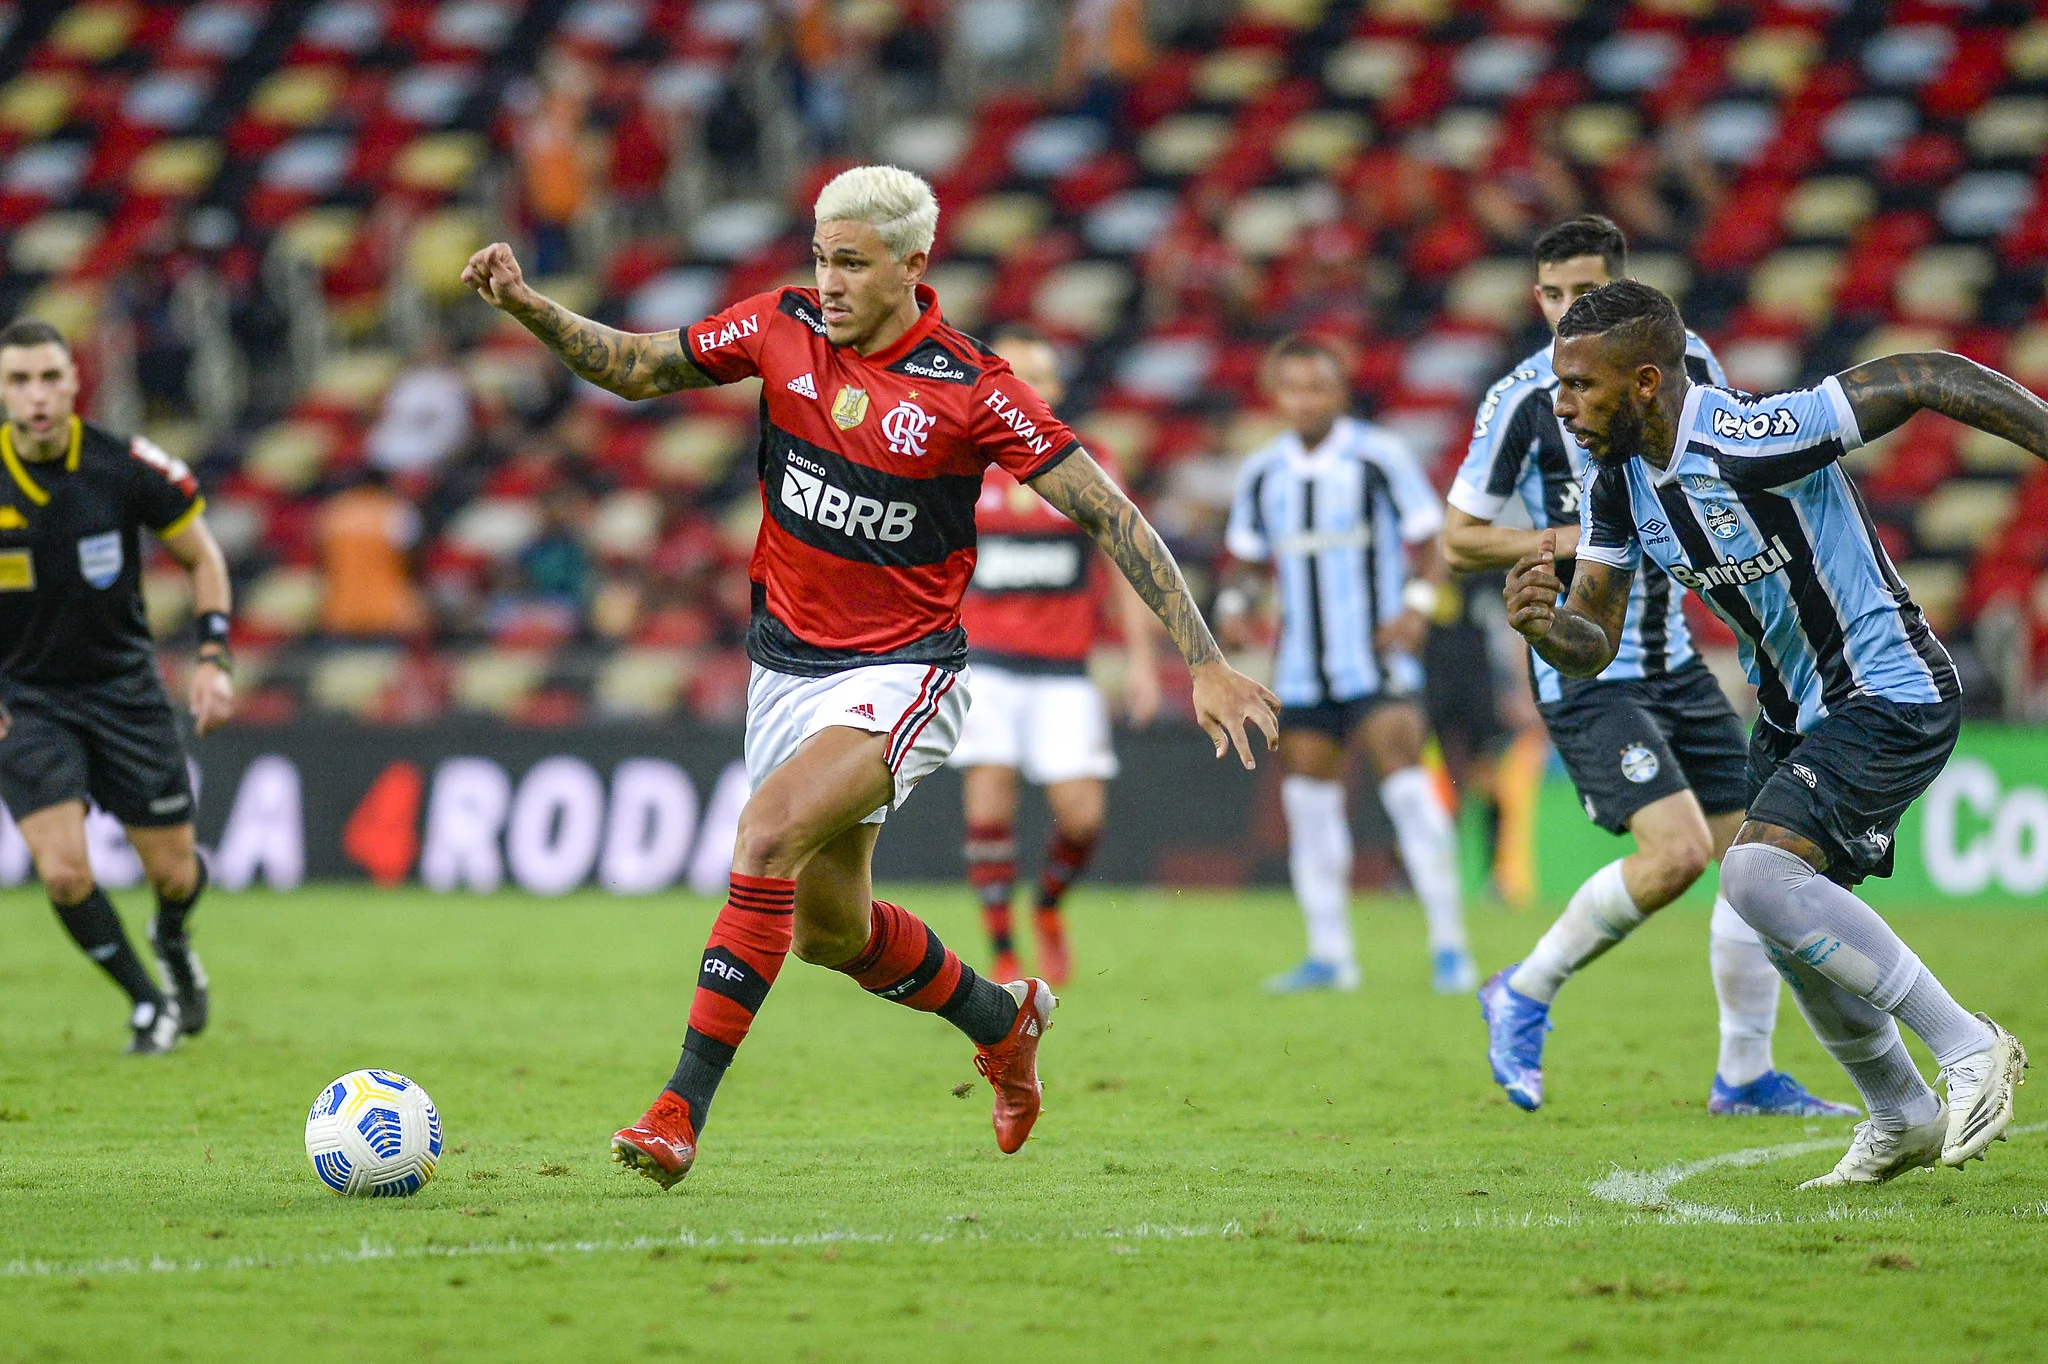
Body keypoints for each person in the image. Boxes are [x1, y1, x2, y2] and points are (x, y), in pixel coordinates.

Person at [462, 165, 1277, 1190]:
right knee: (827, 929)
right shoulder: (779, 328)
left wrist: (1200, 657)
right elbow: (638, 368)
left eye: (851, 261)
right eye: (820, 257)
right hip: (783, 670)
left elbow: (1108, 509)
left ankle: (678, 1107)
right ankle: (1003, 1017)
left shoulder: (970, 387)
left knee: (761, 834)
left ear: (911, 264)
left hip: (903, 672)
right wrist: (530, 306)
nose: (830, 280)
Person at [1506, 279, 2033, 1186]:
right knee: (1771, 907)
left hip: (1887, 690)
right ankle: (1902, 1113)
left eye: (1579, 386)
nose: (1562, 405)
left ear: (1642, 382)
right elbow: (1593, 641)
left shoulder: (1747, 436)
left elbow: (1924, 373)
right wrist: (1546, 628)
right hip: (1791, 717)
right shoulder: (1617, 486)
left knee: (1754, 871)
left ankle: (1969, 1044)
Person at [1444, 216, 1854, 1119]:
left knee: (1763, 858)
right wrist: (1578, 541)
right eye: (1551, 297)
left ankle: (1744, 1074)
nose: (1565, 314)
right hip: (1584, 663)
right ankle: (1524, 990)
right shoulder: (1525, 398)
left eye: (1583, 296)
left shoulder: (1689, 367)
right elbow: (1457, 538)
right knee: (1677, 856)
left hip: (1675, 657)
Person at [0, 319, 235, 1054]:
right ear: (3, 390)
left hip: (124, 690)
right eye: (18, 380)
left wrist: (213, 659)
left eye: (49, 378)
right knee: (65, 874)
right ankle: (147, 1003)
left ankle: (170, 936)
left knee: (174, 872)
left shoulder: (125, 466)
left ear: (75, 382)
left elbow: (203, 559)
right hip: (27, 700)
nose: (35, 395)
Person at [1219, 334, 1474, 996]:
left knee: (1410, 794)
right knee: (1309, 806)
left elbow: (1432, 542)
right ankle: (1331, 955)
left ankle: (1451, 948)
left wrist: (1417, 607)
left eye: (1318, 388)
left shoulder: (1378, 456)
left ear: (1340, 392)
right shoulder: (1263, 471)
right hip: (1302, 666)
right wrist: (1236, 605)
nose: (1305, 401)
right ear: (1277, 396)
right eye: (1293, 389)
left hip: (1377, 659)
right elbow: (1246, 560)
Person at [950, 322, 1160, 986]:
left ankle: (1046, 906)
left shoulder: (1088, 459)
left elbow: (1126, 562)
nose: (1022, 388)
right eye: (1010, 376)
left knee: (1082, 813)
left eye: (1035, 376)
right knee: (989, 795)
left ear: (1056, 389)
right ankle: (1004, 947)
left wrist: (1143, 663)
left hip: (1065, 665)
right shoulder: (962, 461)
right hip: (983, 659)